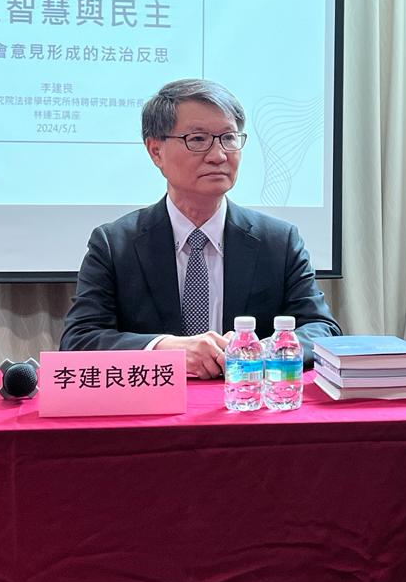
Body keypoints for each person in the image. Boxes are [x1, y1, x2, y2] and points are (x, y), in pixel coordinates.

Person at [60, 78, 340, 377]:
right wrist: (167, 350)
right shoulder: (115, 244)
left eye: (228, 138)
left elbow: (322, 329)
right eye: (197, 139)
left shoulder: (278, 241)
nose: (218, 155)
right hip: (155, 403)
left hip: (247, 397)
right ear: (155, 151)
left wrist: (261, 349)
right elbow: (79, 340)